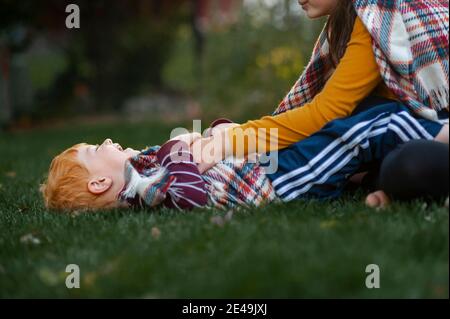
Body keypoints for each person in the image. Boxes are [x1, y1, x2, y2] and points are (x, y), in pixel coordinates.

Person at [192, 0, 449, 208]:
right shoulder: (345, 22)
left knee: (402, 157)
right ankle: (385, 185)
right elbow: (324, 113)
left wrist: (232, 141)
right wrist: (245, 136)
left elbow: (327, 112)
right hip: (406, 139)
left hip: (429, 133)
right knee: (381, 149)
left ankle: (262, 181)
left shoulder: (382, 13)